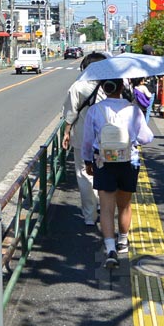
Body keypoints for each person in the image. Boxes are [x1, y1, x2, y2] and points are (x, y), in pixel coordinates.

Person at [82, 78, 155, 269]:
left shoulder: (95, 110)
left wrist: (87, 160)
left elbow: (88, 140)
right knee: (125, 204)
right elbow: (147, 137)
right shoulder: (133, 109)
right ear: (121, 87)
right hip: (128, 160)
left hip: (103, 161)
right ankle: (123, 240)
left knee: (106, 207)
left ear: (104, 88)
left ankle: (110, 247)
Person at [61, 51, 110, 226]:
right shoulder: (111, 84)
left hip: (83, 137)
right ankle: (104, 210)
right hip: (109, 137)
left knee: (84, 174)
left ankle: (90, 216)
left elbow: (70, 113)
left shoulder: (78, 86)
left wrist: (66, 132)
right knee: (106, 172)